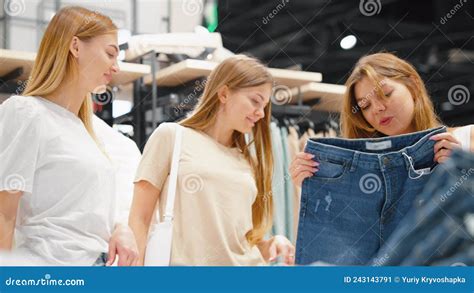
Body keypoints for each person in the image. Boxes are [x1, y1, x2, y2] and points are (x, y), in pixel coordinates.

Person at [0, 6, 138, 266]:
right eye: (110, 53)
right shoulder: (27, 112)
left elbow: (83, 210)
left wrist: (120, 227)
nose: (116, 67)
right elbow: (3, 213)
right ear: (75, 47)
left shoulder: (88, 130)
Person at [129, 55, 295, 266]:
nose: (261, 113)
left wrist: (271, 243)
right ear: (224, 93)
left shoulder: (247, 160)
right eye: (255, 101)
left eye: (264, 106)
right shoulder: (172, 137)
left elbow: (239, 239)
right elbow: (139, 220)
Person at [290, 52, 473, 187]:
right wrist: (312, 188)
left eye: (385, 94)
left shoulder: (467, 139)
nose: (377, 109)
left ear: (414, 86)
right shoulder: (361, 173)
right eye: (365, 106)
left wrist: (466, 169)